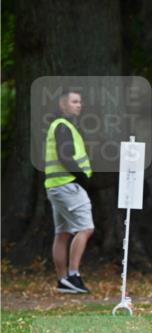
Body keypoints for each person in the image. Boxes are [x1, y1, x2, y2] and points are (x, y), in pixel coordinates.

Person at [43, 89, 94, 293]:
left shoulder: (60, 126)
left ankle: (63, 280)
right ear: (63, 105)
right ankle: (73, 276)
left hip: (56, 186)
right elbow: (67, 158)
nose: (79, 105)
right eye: (74, 102)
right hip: (68, 185)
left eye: (80, 102)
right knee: (86, 228)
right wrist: (81, 178)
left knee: (62, 233)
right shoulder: (63, 127)